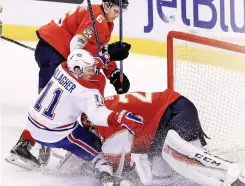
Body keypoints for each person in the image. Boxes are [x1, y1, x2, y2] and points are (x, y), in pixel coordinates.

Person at [9, 0, 131, 167]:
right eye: (115, 10)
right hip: (54, 53)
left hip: (52, 51)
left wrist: (112, 72)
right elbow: (77, 48)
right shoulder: (96, 18)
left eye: (120, 11)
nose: (117, 15)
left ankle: (42, 141)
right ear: (106, 5)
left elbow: (95, 50)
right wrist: (108, 54)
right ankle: (25, 146)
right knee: (52, 101)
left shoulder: (104, 20)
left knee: (92, 80)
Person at [5, 49, 144, 179]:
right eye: (90, 70)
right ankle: (106, 176)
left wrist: (104, 58)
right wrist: (119, 117)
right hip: (56, 135)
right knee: (99, 150)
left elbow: (80, 66)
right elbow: (97, 115)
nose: (93, 72)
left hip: (32, 127)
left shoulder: (62, 68)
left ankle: (24, 143)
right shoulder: (87, 92)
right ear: (77, 70)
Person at [80, 89, 245, 186]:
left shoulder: (105, 123)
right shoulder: (102, 107)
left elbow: (125, 161)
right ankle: (215, 168)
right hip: (162, 121)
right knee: (163, 173)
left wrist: (110, 172)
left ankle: (230, 172)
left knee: (183, 161)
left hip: (173, 111)